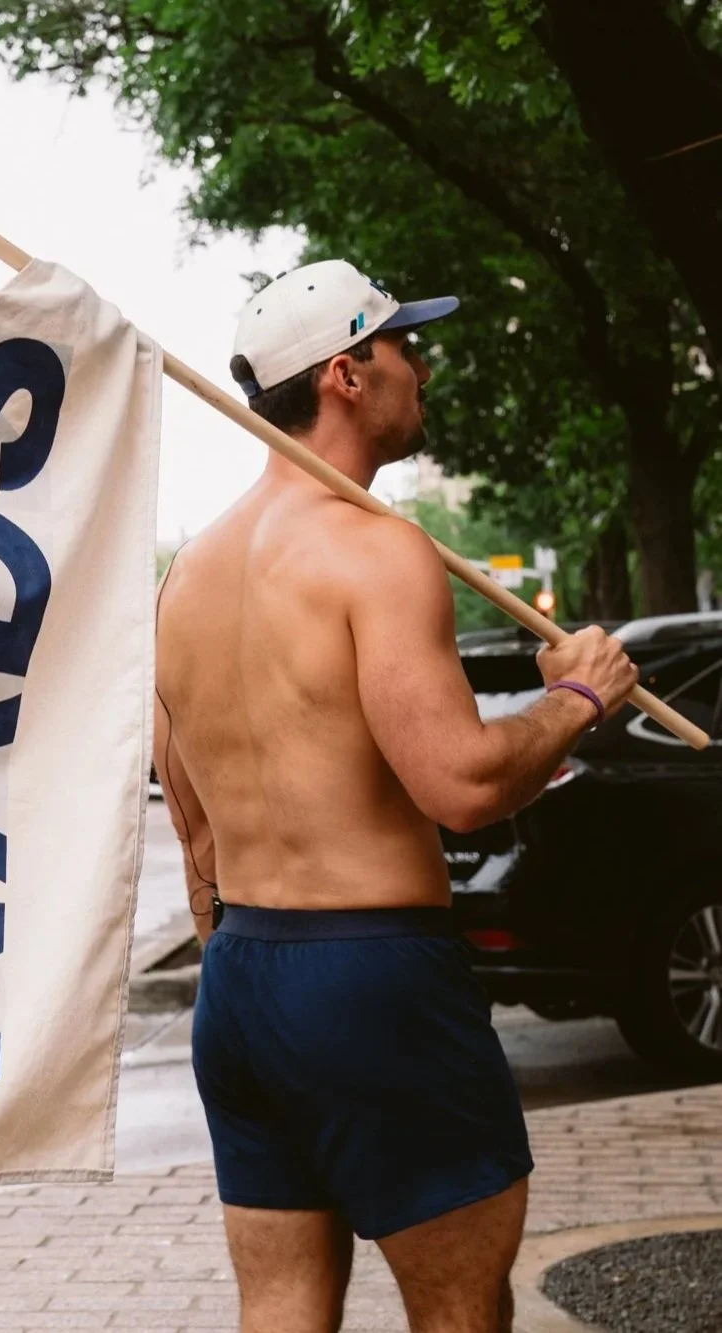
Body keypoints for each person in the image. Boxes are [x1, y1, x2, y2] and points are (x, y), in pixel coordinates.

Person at [153, 259, 639, 1333]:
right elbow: (461, 785)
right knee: (459, 1311)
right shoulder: (378, 551)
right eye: (404, 345)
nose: (422, 365)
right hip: (370, 975)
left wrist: (244, 949)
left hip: (240, 977)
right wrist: (576, 697)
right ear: (346, 375)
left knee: (278, 1307)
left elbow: (183, 803)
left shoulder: (189, 574)